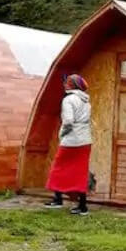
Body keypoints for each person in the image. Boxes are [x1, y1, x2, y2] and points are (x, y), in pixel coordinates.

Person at [45, 73, 92, 215]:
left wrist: (62, 134)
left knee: (58, 168)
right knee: (80, 172)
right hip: (85, 140)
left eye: (67, 82)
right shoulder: (86, 101)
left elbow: (68, 121)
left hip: (71, 141)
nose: (65, 84)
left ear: (72, 85)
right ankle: (82, 206)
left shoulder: (69, 100)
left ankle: (57, 199)